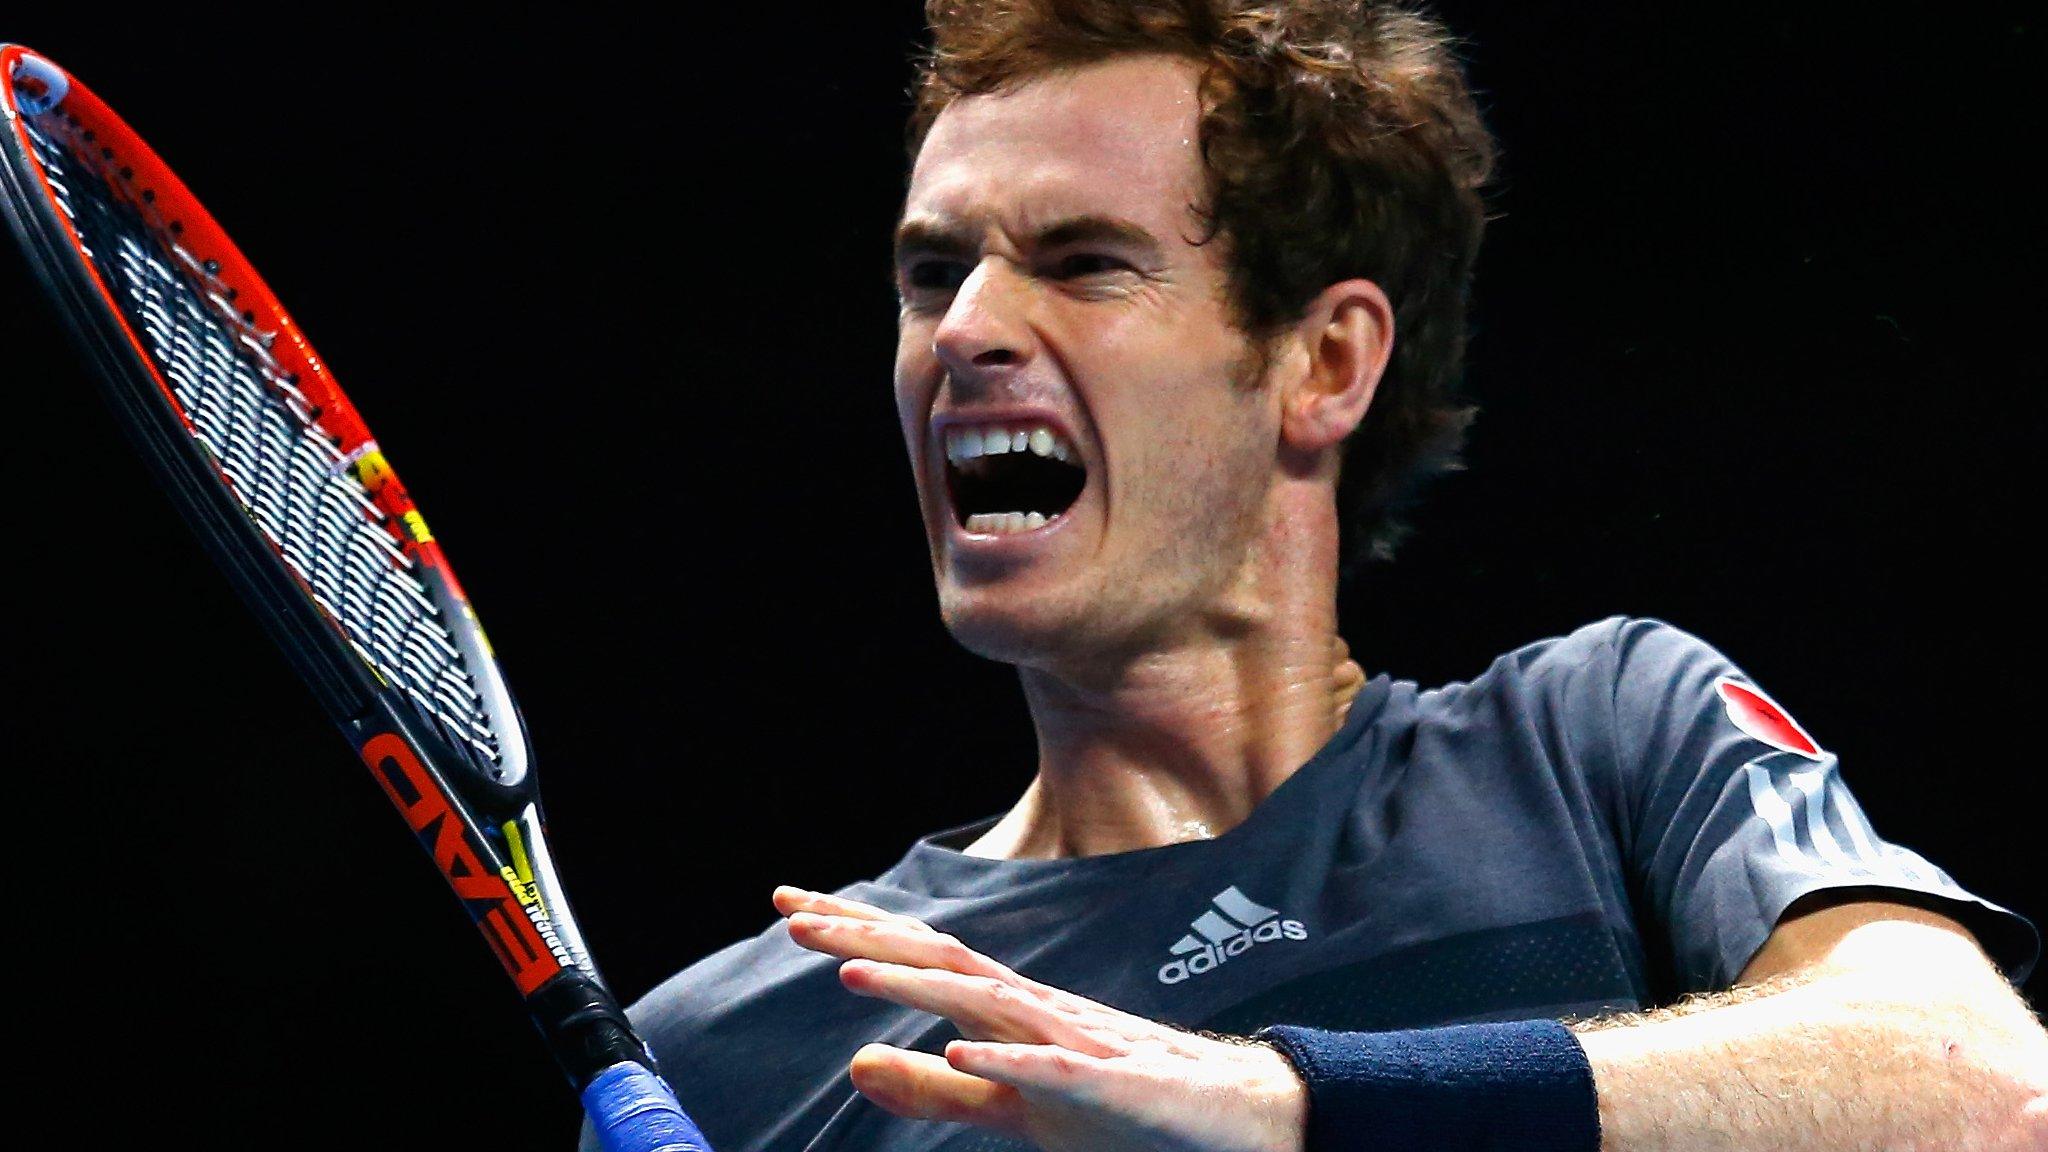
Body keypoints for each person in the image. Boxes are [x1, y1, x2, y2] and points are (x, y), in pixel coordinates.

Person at [585, 3, 2046, 1149]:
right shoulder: (744, 1054)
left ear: (1325, 362)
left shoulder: (1601, 741)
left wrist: (1285, 1106)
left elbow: (1974, 1080)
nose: (964, 327)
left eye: (1085, 262)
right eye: (929, 273)